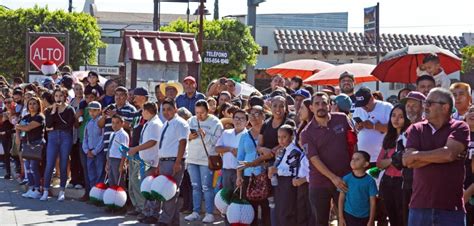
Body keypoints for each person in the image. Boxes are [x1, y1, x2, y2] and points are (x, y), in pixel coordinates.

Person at [403, 88, 469, 226]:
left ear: (445, 107)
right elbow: (407, 161)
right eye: (425, 102)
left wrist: (418, 155)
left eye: (429, 103)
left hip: (450, 208)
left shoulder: (460, 127)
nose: (425, 106)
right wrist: (440, 155)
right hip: (419, 206)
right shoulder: (416, 128)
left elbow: (449, 154)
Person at [300, 92, 353, 226]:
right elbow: (314, 159)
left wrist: (354, 169)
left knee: (348, 219)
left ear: (330, 105)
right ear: (311, 107)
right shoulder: (306, 133)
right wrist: (333, 178)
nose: (321, 106)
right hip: (320, 183)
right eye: (317, 104)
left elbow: (353, 143)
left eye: (324, 103)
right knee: (321, 221)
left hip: (345, 179)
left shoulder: (342, 119)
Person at [185, 100, 223, 223]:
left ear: (208, 111)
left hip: (206, 160)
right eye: (197, 113)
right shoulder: (191, 120)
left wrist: (205, 136)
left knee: (207, 187)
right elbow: (183, 137)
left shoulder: (215, 122)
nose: (199, 115)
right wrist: (189, 137)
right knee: (195, 186)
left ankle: (209, 213)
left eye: (202, 113)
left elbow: (217, 142)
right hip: (192, 158)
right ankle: (195, 212)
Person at [128, 102, 163, 224]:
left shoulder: (155, 124)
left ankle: (153, 213)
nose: (142, 113)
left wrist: (136, 149)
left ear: (148, 112)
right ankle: (147, 212)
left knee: (151, 188)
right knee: (146, 188)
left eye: (143, 111)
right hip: (146, 160)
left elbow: (153, 142)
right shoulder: (150, 123)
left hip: (152, 161)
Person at [156, 98, 189, 225]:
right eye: (163, 110)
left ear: (175, 109)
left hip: (174, 161)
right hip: (164, 161)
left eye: (169, 109)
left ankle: (164, 220)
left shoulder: (180, 123)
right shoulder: (166, 124)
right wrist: (159, 162)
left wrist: (178, 162)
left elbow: (182, 142)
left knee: (169, 191)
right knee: (169, 191)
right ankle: (174, 221)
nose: (166, 112)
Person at [376, 104, 410, 226]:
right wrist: (395, 159)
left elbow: (405, 160)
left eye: (401, 116)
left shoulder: (409, 136)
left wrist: (390, 160)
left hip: (402, 182)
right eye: (393, 115)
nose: (396, 119)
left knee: (403, 217)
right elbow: (380, 163)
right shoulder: (389, 137)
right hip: (387, 182)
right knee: (392, 217)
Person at [236, 105, 271, 226]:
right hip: (248, 175)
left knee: (266, 207)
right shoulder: (245, 136)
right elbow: (240, 158)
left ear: (263, 116)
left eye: (257, 114)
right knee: (250, 208)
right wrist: (238, 176)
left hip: (265, 175)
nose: (254, 117)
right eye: (251, 114)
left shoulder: (268, 133)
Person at [268, 124, 308, 226]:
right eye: (279, 137)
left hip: (288, 184)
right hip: (280, 184)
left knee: (287, 212)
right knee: (280, 211)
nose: (281, 140)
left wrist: (277, 170)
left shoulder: (294, 151)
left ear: (291, 137)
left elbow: (293, 171)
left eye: (284, 137)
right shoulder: (282, 150)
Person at [42, 87, 76, 201]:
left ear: (65, 96)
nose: (58, 98)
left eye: (61, 96)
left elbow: (69, 125)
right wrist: (53, 112)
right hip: (52, 137)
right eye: (56, 96)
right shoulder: (49, 110)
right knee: (50, 163)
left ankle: (62, 190)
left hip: (65, 136)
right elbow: (48, 125)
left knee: (63, 162)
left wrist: (55, 124)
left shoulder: (70, 109)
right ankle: (45, 190)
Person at [15, 97, 45, 199]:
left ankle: (37, 189)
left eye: (34, 103)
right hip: (26, 144)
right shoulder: (26, 117)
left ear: (38, 105)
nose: (32, 106)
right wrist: (18, 137)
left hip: (36, 144)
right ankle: (31, 188)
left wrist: (18, 127)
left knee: (34, 167)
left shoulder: (39, 117)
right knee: (27, 168)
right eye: (30, 104)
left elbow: (27, 127)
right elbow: (18, 127)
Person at [353, 87, 392, 165]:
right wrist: (358, 128)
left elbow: (395, 129)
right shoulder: (358, 109)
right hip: (363, 158)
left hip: (382, 157)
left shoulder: (387, 107)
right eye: (361, 105)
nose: (364, 107)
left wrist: (374, 126)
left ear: (372, 98)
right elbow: (354, 130)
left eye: (365, 104)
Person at [338, 151, 377, 226]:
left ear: (366, 164)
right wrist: (341, 217)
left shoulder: (370, 181)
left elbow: (373, 203)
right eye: (352, 158)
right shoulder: (346, 179)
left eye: (357, 159)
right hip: (348, 215)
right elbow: (341, 199)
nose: (353, 161)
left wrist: (371, 220)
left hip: (365, 217)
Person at [127, 87, 149, 220]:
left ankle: (142, 207)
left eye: (136, 96)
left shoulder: (147, 114)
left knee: (137, 179)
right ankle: (136, 206)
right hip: (132, 149)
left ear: (143, 97)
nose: (133, 98)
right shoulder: (136, 114)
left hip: (141, 151)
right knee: (132, 180)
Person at [216, 110, 248, 191]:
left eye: (242, 119)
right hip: (226, 170)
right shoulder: (226, 133)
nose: (238, 121)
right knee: (226, 197)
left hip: (241, 172)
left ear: (246, 122)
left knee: (237, 198)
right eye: (236, 118)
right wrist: (229, 149)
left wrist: (240, 154)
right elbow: (217, 149)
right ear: (233, 120)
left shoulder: (248, 135)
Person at [98, 86, 136, 153]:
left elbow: (132, 126)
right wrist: (103, 117)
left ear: (126, 97)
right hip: (108, 146)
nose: (118, 97)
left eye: (121, 95)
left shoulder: (131, 109)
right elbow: (100, 125)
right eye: (116, 95)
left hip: (122, 148)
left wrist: (115, 116)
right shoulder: (110, 107)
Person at [82, 101, 105, 189]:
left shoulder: (101, 122)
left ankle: (99, 191)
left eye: (95, 110)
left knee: (99, 172)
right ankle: (92, 191)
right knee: (91, 172)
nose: (92, 112)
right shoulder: (88, 122)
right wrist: (86, 150)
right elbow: (85, 137)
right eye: (90, 110)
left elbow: (103, 138)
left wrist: (95, 151)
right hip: (89, 152)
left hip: (98, 151)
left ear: (99, 111)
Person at [106, 115, 129, 187]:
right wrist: (107, 162)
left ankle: (120, 197)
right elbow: (110, 149)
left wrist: (122, 165)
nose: (114, 125)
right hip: (111, 159)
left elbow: (124, 150)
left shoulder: (123, 134)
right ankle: (112, 196)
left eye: (117, 123)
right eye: (113, 122)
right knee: (111, 180)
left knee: (118, 181)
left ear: (122, 123)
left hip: (118, 160)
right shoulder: (112, 134)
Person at [464, 105, 474, 226]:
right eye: (470, 110)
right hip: (458, 190)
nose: (473, 113)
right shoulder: (457, 135)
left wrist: (468, 193)